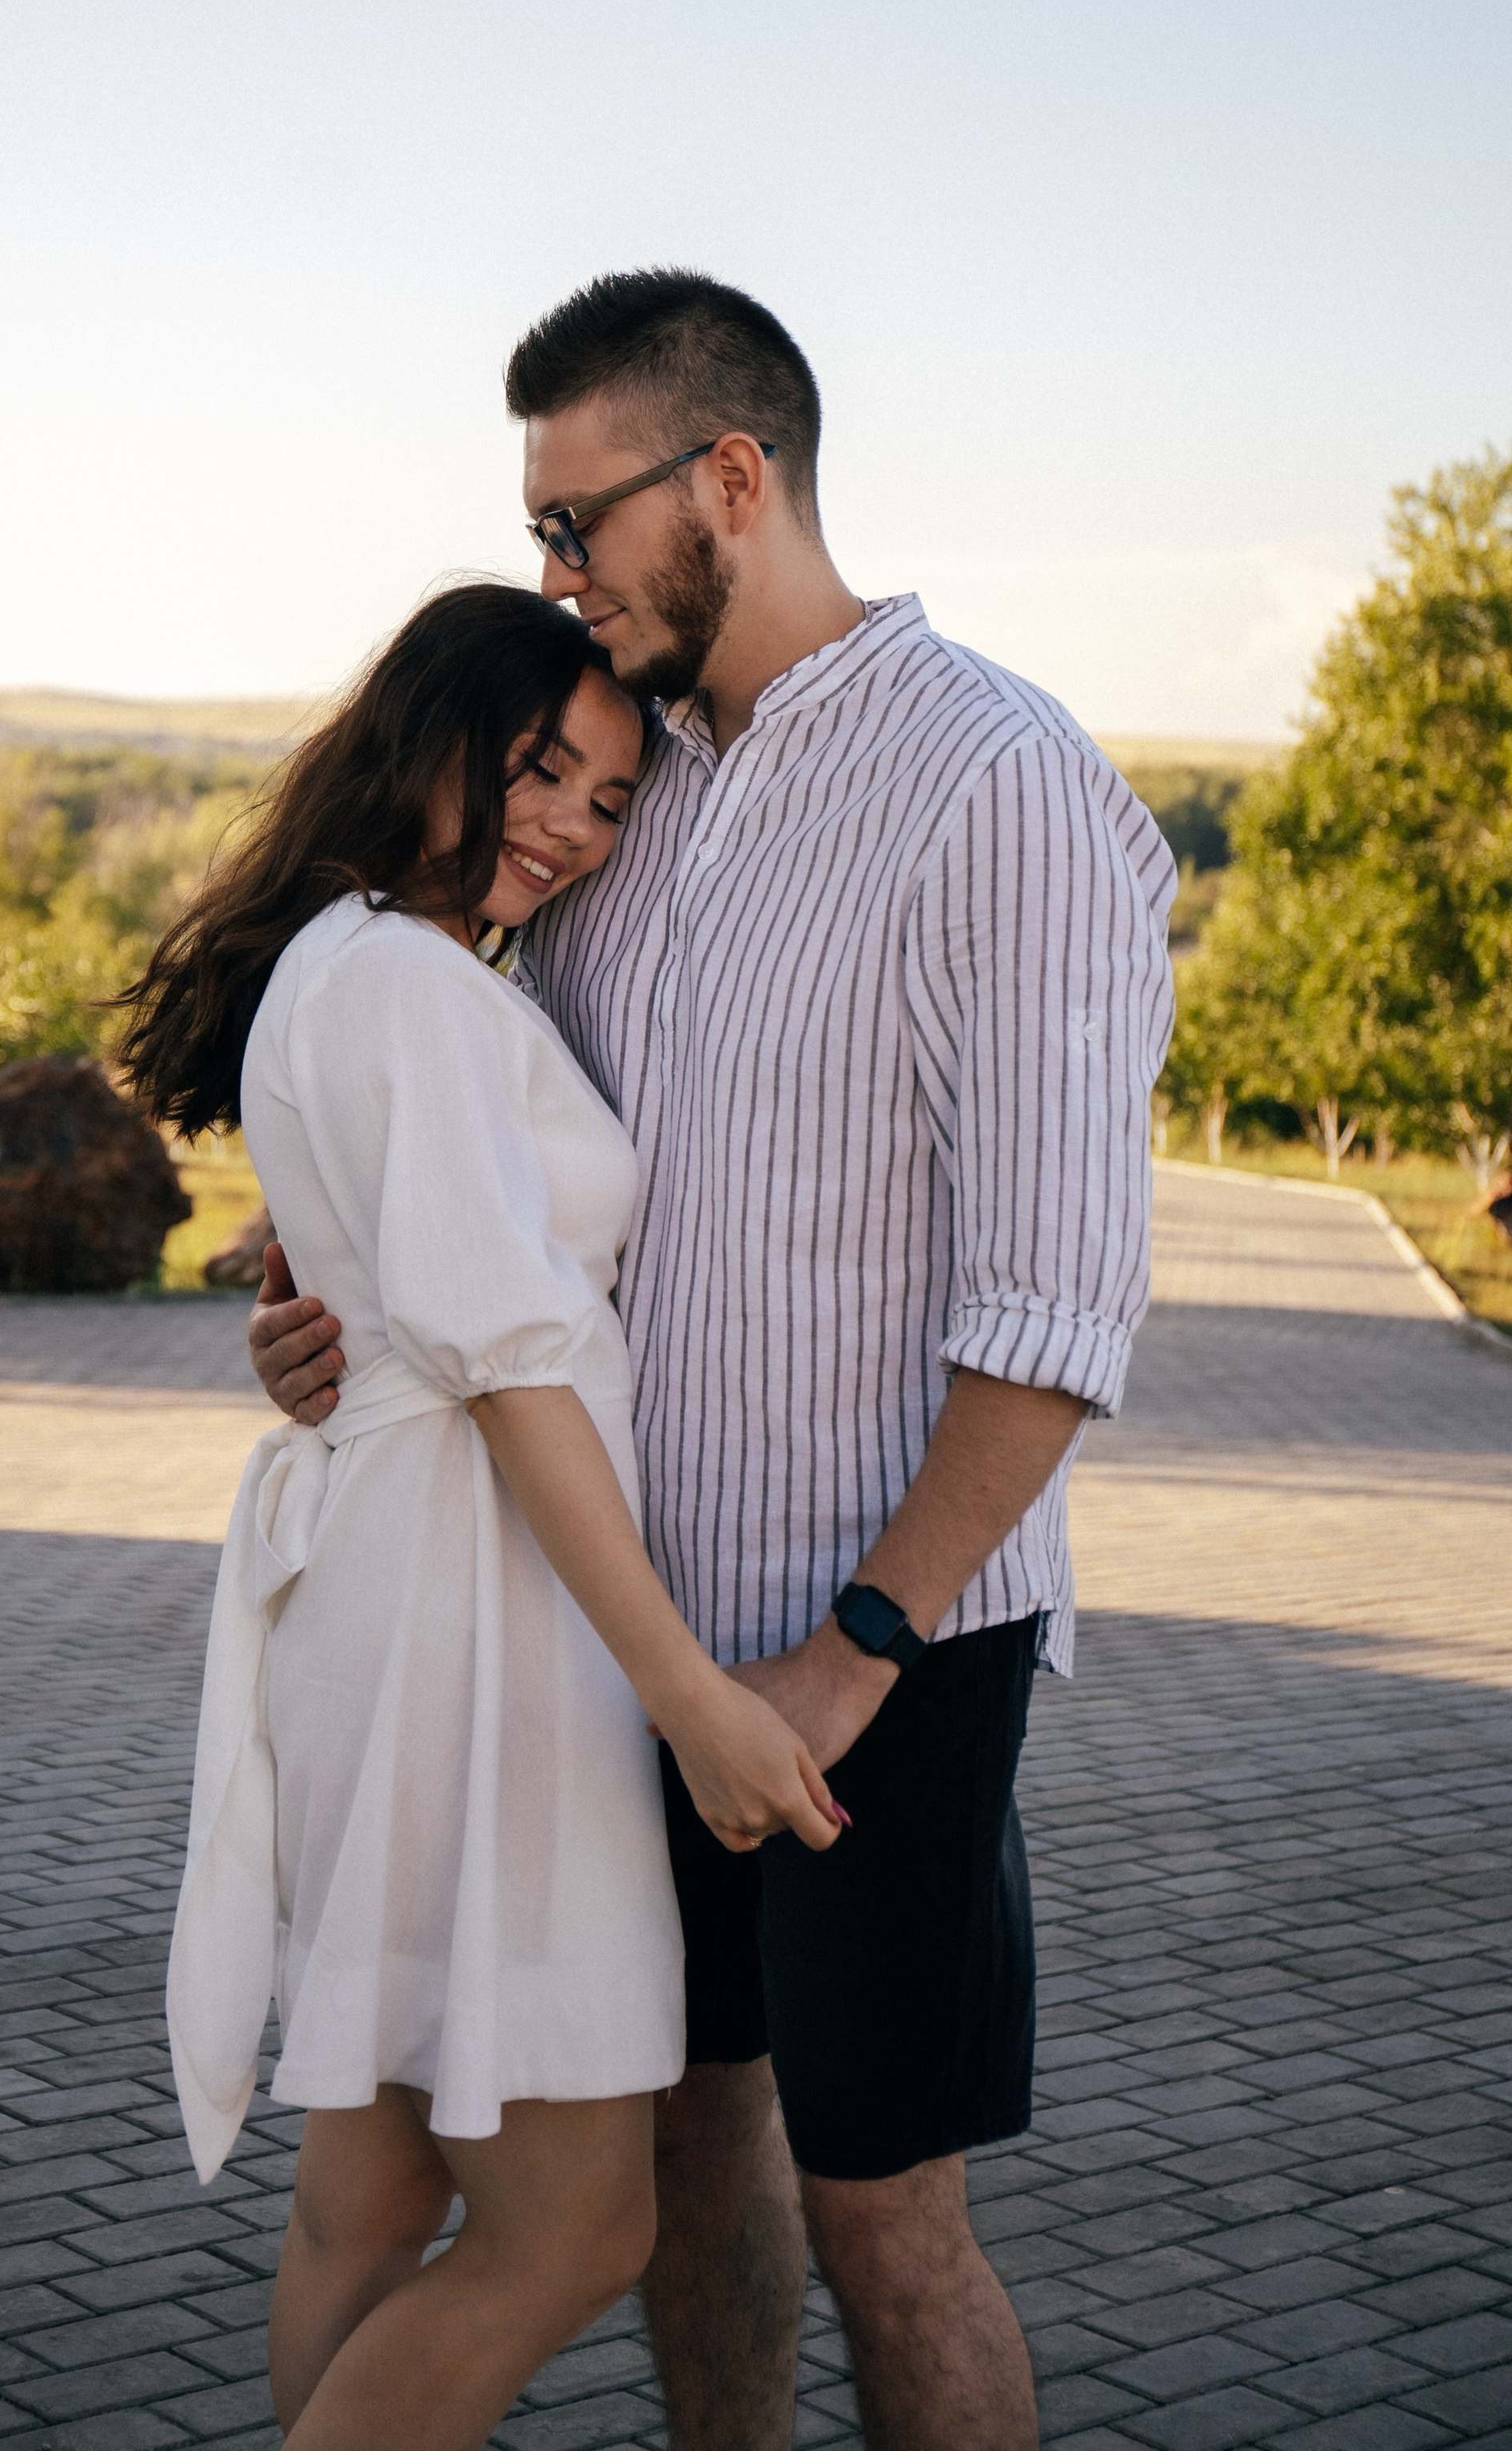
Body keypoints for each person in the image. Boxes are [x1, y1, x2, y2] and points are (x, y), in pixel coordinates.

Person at [252, 271, 1178, 2451]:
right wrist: (327, 1309)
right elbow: (486, 1148)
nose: (555, 573)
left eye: (578, 522)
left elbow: (1059, 1303)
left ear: (729, 481)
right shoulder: (626, 785)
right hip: (612, 1631)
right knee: (681, 2162)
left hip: (881, 1647)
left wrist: (856, 1648)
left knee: (887, 2216)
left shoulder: (1003, 783)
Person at [119, 580, 843, 2451]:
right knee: (584, 2220)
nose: (566, 827)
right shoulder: (412, 987)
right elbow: (516, 1370)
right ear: (427, 735)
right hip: (483, 1623)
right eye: (537, 768)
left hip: (409, 1583)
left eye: (607, 800)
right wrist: (685, 1690)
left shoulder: (359, 964)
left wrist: (308, 1339)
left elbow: (396, 1293)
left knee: (366, 2198)